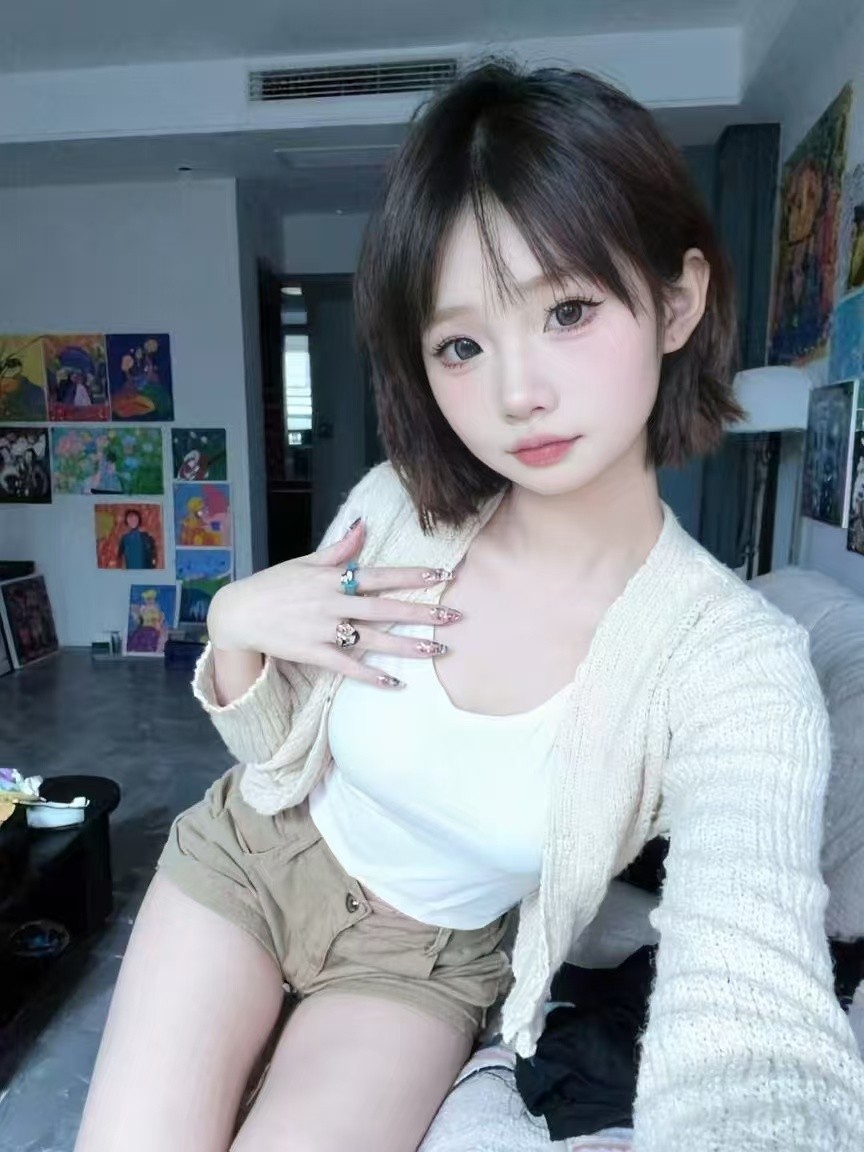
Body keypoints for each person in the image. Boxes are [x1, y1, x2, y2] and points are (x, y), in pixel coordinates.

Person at [75, 61, 864, 1152]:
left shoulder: (733, 666)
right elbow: (276, 755)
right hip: (248, 860)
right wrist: (235, 629)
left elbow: (750, 982)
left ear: (677, 302)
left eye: (568, 310)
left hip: (422, 963)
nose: (515, 393)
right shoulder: (396, 509)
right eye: (461, 345)